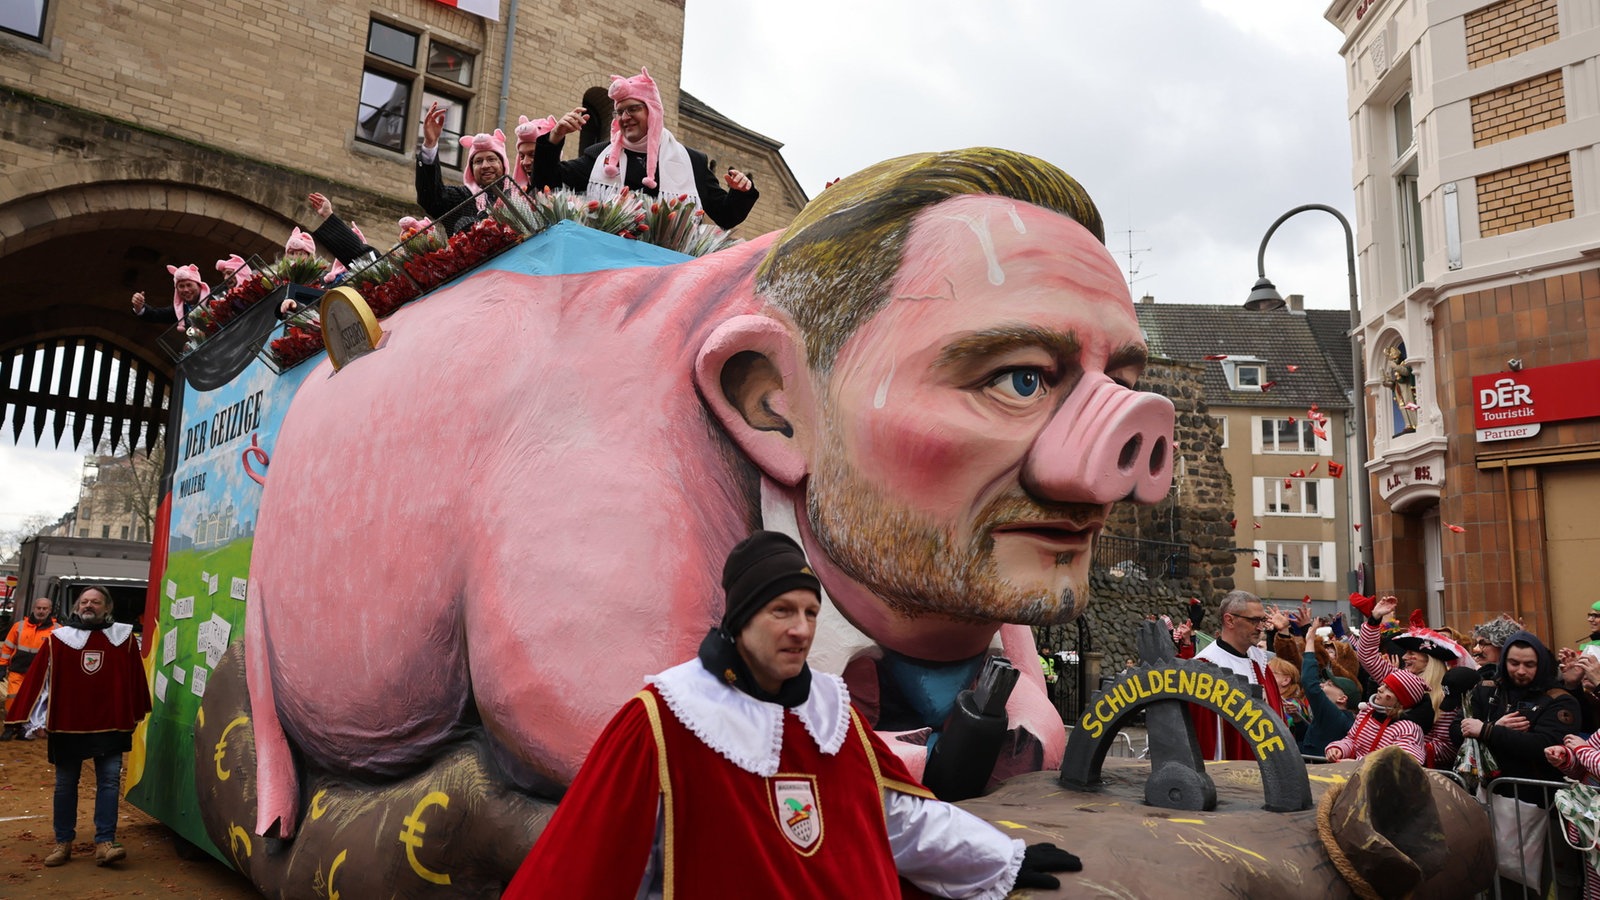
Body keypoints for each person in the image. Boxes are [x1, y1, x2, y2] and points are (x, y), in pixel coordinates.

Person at [503, 531, 1081, 898]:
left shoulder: (830, 717)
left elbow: (898, 821)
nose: (801, 629)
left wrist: (1001, 859)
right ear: (740, 619)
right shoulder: (662, 723)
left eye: (810, 611)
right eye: (782, 610)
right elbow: (591, 865)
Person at [5, 586, 152, 867]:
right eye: (84, 601)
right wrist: (34, 718)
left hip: (111, 724)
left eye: (95, 602)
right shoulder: (59, 639)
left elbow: (135, 679)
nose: (89, 606)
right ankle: (63, 843)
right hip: (67, 725)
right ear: (76, 607)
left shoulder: (123, 638)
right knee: (64, 785)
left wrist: (133, 713)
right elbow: (41, 680)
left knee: (109, 783)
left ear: (107, 608)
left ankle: (105, 842)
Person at [531, 67, 758, 230]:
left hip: (664, 279)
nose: (625, 117)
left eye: (633, 109)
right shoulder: (601, 157)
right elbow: (545, 183)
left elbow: (726, 216)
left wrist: (741, 192)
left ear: (653, 111)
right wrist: (555, 137)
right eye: (619, 112)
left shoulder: (692, 162)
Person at [1354, 595, 1473, 768]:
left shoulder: (1446, 694)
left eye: (1411, 653)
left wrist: (1404, 748)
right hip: (1381, 764)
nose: (1404, 657)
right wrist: (1374, 619)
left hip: (1417, 772)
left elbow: (1447, 748)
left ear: (1429, 659)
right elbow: (1367, 656)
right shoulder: (1397, 678)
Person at [1184, 591, 1284, 760]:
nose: (1260, 627)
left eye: (1262, 620)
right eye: (1253, 620)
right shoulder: (1206, 667)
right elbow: (1205, 738)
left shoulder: (1260, 660)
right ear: (1229, 620)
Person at [416, 102, 510, 234]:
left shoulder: (517, 196)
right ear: (471, 169)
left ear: (503, 164)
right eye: (478, 161)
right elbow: (431, 198)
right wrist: (430, 145)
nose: (485, 166)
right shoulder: (462, 197)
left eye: (491, 159)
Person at [1324, 670, 1430, 764]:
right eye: (1383, 684)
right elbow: (1352, 740)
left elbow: (1402, 764)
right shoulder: (1367, 713)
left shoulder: (1408, 729)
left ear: (1400, 699)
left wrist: (1357, 764)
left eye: (1388, 688)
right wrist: (1339, 749)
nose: (1379, 689)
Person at [0, 596, 57, 739]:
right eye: (39, 608)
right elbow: (7, 647)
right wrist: (2, 665)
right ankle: (10, 726)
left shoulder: (57, 630)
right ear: (33, 609)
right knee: (13, 698)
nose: (41, 611)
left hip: (40, 673)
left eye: (45, 609)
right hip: (18, 670)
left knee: (34, 701)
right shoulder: (19, 626)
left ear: (50, 610)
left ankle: (24, 728)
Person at [1299, 623, 1358, 757]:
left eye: (1330, 684)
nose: (1322, 684)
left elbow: (1310, 684)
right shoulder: (1344, 718)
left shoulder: (1334, 714)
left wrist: (1309, 642)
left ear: (1342, 699)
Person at [131, 263, 208, 325]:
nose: (186, 290)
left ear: (198, 285)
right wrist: (139, 307)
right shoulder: (179, 310)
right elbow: (156, 315)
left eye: (189, 285)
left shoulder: (215, 293)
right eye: (181, 286)